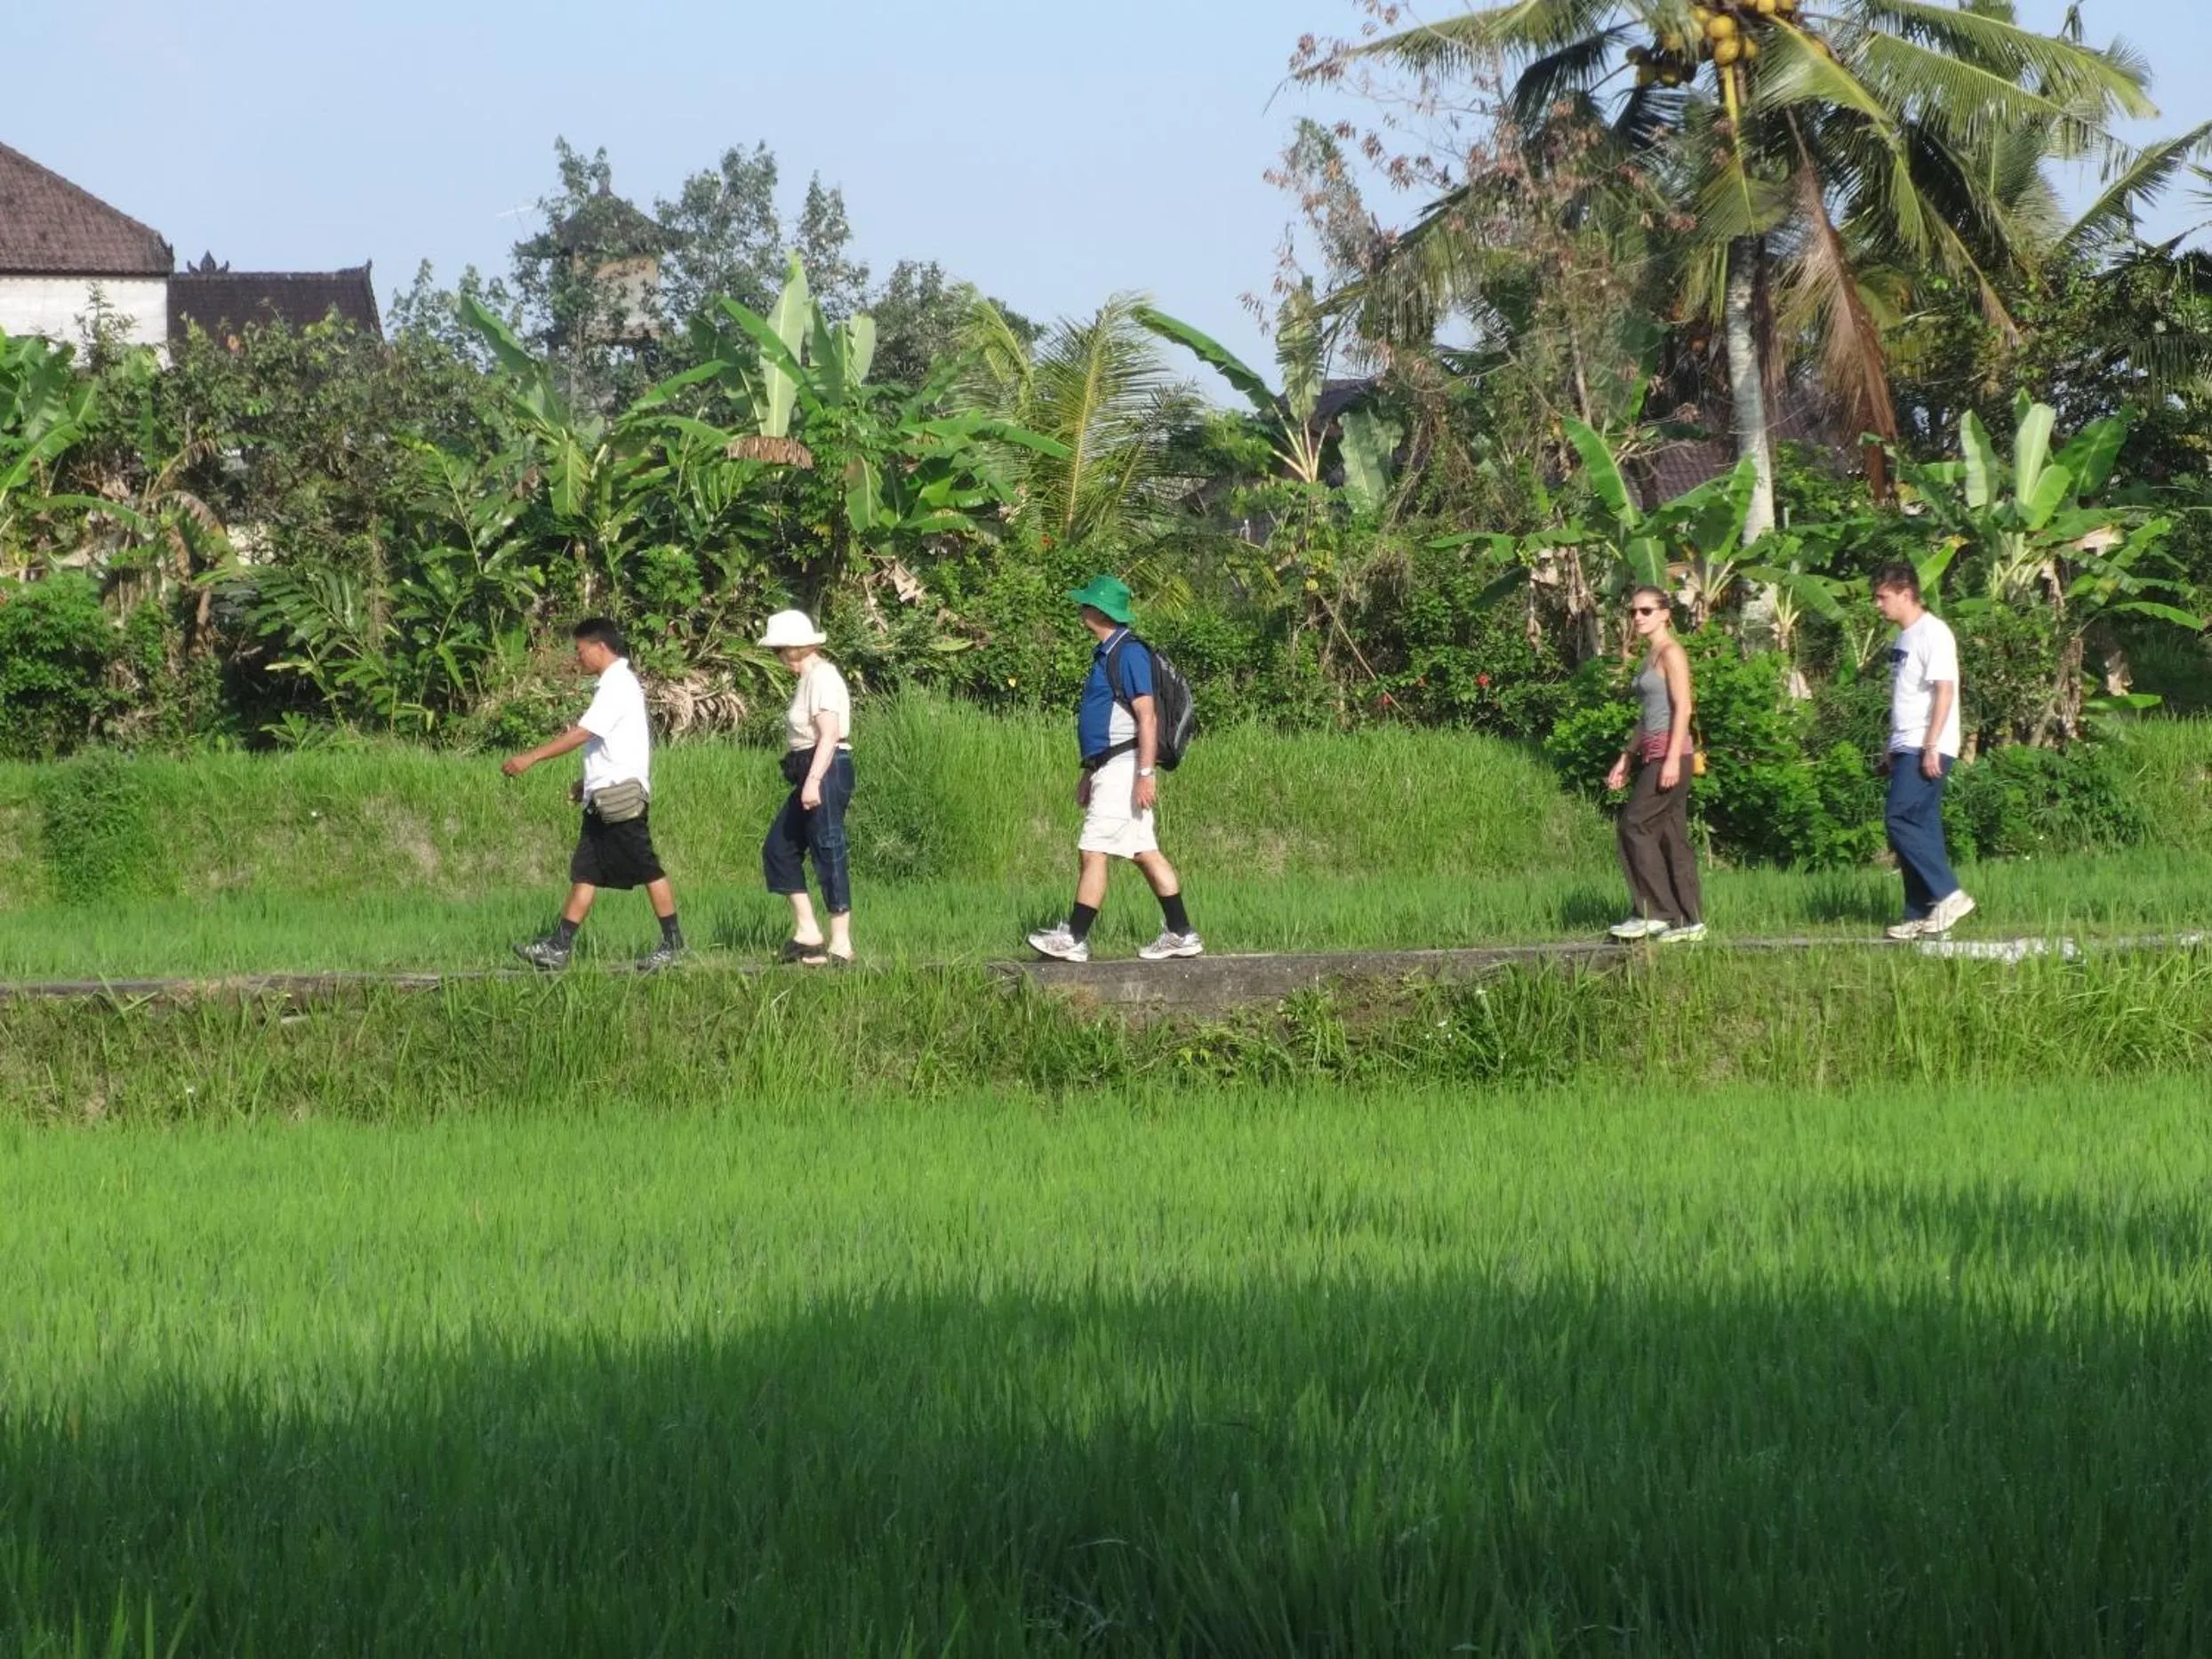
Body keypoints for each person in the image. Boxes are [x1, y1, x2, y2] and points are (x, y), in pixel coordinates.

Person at [1027, 575, 1202, 964]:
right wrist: (1090, 772)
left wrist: (1144, 775)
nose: (1080, 609)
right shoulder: (1107, 653)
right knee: (1144, 852)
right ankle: (1181, 932)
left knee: (1093, 850)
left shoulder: (1129, 653)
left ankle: (1074, 937)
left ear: (1100, 611)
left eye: (1085, 603)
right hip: (1112, 767)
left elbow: (1147, 716)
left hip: (1126, 768)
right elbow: (1108, 721)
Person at [504, 618, 685, 972]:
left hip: (619, 797)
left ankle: (674, 943)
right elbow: (611, 743)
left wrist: (531, 757)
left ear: (600, 647)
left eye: (580, 650)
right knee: (585, 872)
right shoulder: (613, 685)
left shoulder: (618, 685)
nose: (578, 658)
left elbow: (585, 733)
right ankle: (559, 947)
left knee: (647, 867)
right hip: (602, 796)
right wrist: (585, 782)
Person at [1874, 561, 1974, 940]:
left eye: (1883, 597)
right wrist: (1890, 747)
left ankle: (1950, 894)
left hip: (1927, 744)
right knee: (1922, 828)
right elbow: (1904, 697)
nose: (1878, 605)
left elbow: (1944, 691)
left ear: (1906, 594)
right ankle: (1921, 912)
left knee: (1899, 819)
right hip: (1906, 743)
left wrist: (1931, 745)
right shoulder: (1904, 638)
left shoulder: (1935, 633)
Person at [1603, 586, 1705, 943]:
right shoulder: (1651, 655)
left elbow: (1684, 708)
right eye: (1633, 612)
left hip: (1670, 755)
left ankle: (1653, 912)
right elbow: (1647, 717)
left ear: (1665, 614)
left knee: (1634, 825)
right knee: (1670, 837)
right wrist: (1626, 757)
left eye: (1646, 611)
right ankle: (1688, 921)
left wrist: (1673, 760)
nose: (1638, 618)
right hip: (1654, 752)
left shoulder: (1672, 652)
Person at [757, 609, 856, 965]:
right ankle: (808, 932)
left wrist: (813, 781)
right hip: (808, 767)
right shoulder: (808, 678)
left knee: (827, 846)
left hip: (825, 767)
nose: (780, 659)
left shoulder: (822, 677)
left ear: (795, 648)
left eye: (781, 651)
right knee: (778, 849)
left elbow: (829, 734)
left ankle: (841, 942)